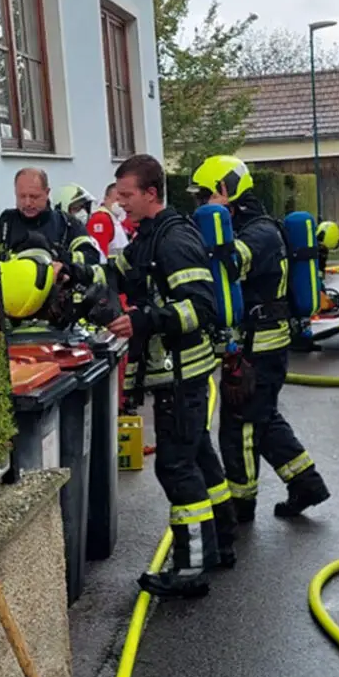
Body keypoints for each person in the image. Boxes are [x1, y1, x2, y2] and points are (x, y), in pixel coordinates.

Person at [107, 153, 236, 598]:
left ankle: (190, 568)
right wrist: (77, 274)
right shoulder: (147, 236)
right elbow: (120, 272)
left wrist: (143, 320)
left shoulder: (174, 240)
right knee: (199, 456)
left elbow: (200, 308)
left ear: (150, 193)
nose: (120, 203)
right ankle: (221, 541)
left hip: (182, 374)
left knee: (176, 467)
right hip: (176, 374)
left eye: (126, 195)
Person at [188, 156, 330, 523]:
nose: (200, 204)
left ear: (226, 190)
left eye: (205, 196)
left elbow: (232, 265)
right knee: (263, 419)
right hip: (253, 344)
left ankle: (241, 505)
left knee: (241, 428)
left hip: (260, 346)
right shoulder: (248, 226)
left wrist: (211, 241)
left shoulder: (259, 233)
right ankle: (306, 483)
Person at [0, 168, 105, 287]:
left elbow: (91, 257)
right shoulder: (5, 223)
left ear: (47, 192)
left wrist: (64, 263)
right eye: (22, 196)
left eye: (34, 197)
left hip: (57, 294)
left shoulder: (66, 224)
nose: (27, 203)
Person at [88, 183, 132, 259]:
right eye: (117, 199)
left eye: (124, 199)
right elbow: (99, 255)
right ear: (106, 199)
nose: (121, 203)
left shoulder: (114, 219)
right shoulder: (101, 219)